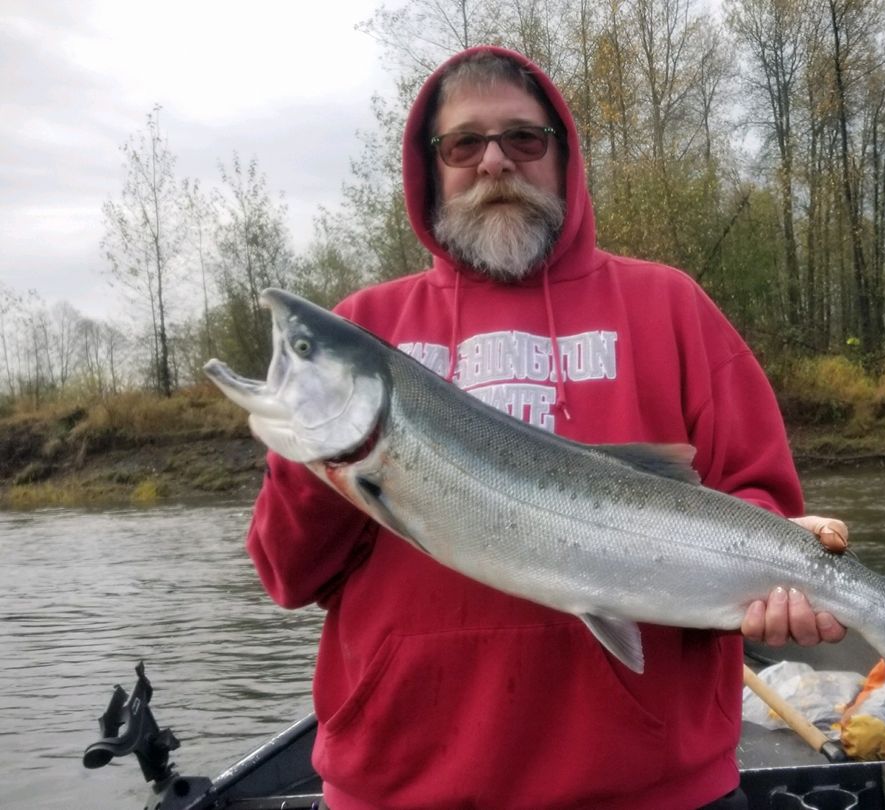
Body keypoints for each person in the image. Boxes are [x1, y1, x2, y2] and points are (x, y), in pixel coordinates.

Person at [245, 45, 850, 809]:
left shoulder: (671, 307)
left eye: (524, 139)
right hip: (400, 786)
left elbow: (758, 499)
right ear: (432, 170)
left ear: (563, 158)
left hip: (657, 789)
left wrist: (775, 584)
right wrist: (317, 454)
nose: (495, 162)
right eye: (464, 143)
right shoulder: (365, 327)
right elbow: (287, 577)